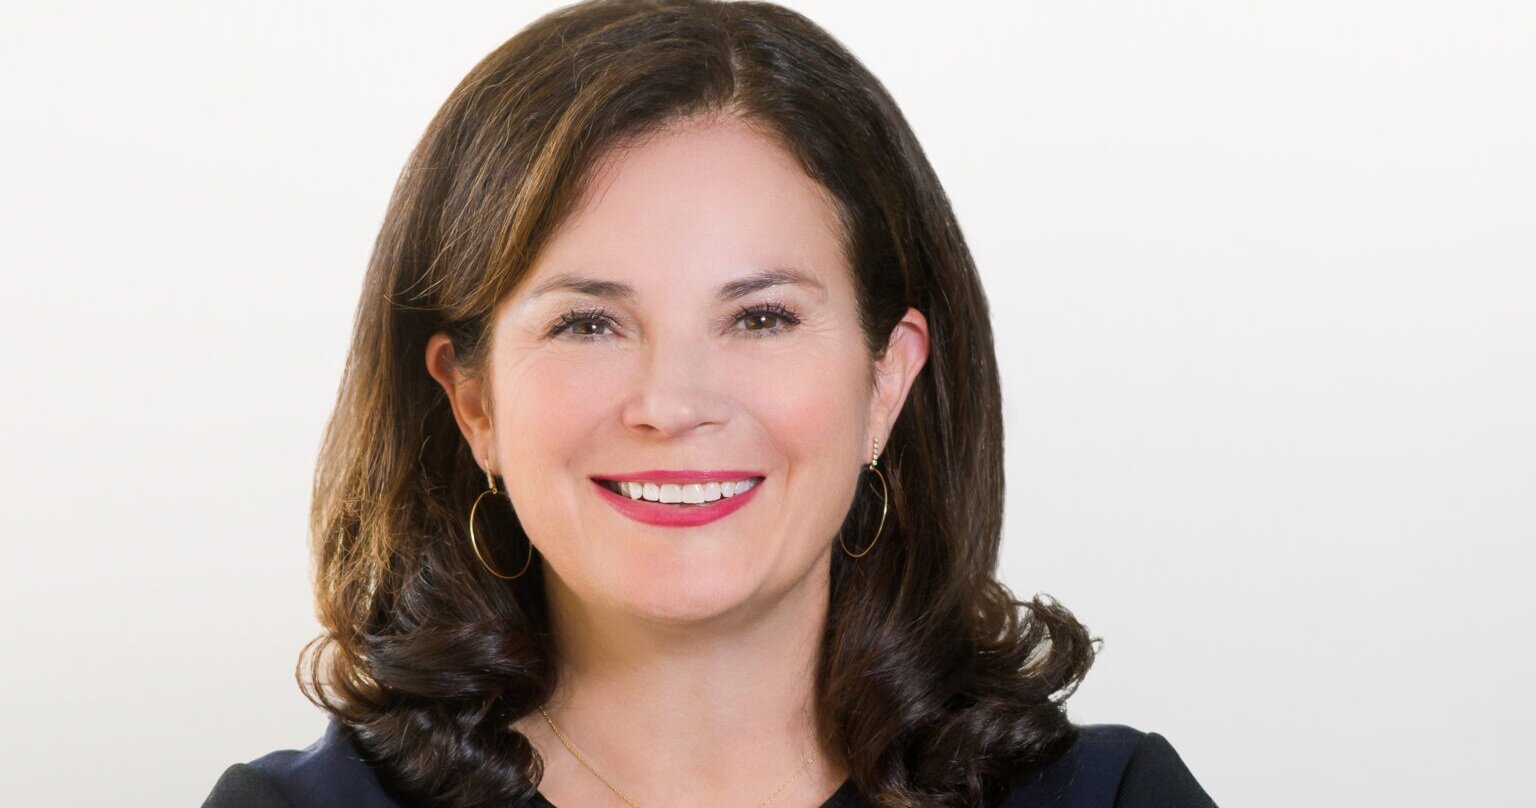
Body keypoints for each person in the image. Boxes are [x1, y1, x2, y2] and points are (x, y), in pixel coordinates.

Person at [203, 1, 1217, 806]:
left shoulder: (1114, 798)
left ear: (886, 380)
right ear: (472, 402)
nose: (671, 403)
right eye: (589, 324)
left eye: (762, 318)